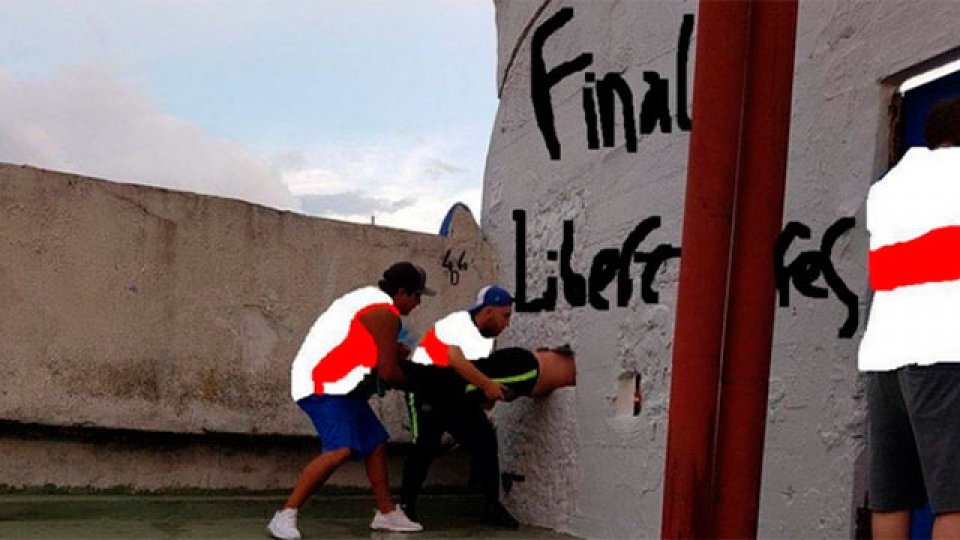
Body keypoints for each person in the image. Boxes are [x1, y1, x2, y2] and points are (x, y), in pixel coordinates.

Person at [267, 262, 434, 540]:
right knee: (339, 449)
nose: (418, 303)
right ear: (402, 292)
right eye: (417, 296)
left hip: (342, 387)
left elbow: (359, 347)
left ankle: (386, 513)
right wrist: (427, 384)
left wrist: (393, 352)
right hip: (324, 385)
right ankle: (285, 514)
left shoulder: (371, 303)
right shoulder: (385, 313)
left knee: (375, 442)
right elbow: (389, 372)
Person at [859, 97, 960, 538]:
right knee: (957, 498)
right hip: (943, 350)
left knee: (892, 494)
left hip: (887, 356)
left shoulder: (890, 187)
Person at [400, 285, 532, 529]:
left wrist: (488, 397)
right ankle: (405, 508)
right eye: (505, 316)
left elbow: (475, 375)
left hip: (453, 393)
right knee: (425, 445)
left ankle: (491, 506)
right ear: (489, 311)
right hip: (426, 388)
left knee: (484, 439)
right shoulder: (457, 324)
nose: (507, 324)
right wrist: (488, 385)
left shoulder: (486, 339)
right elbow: (454, 359)